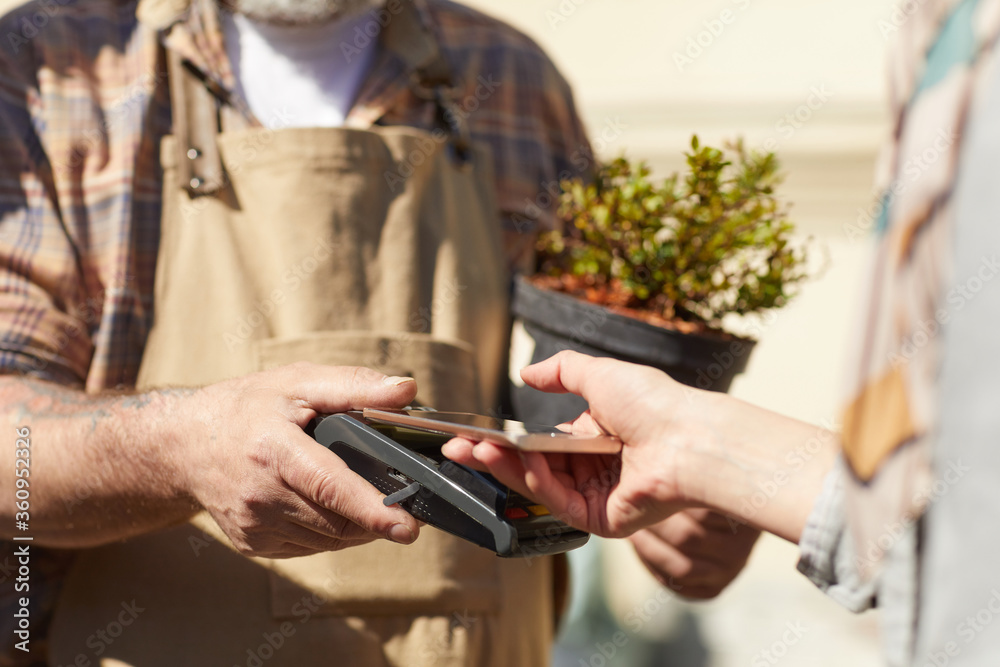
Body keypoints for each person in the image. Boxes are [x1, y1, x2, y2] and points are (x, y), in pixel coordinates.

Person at [0, 0, 759, 664]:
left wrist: (679, 487)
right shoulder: (48, 71)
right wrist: (183, 443)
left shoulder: (510, 79)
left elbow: (579, 390)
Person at [446, 4, 1000, 664]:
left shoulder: (510, 76)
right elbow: (949, 520)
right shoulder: (942, 44)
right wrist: (704, 454)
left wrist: (698, 456)